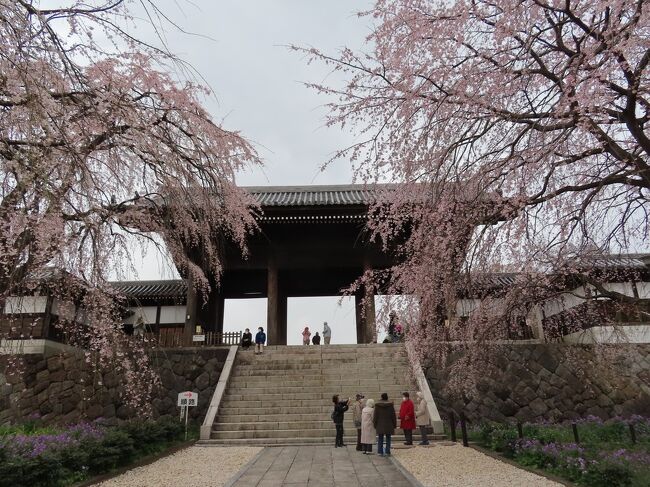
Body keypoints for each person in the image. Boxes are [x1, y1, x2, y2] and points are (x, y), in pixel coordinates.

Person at [373, 392, 396, 456]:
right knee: (388, 438)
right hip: (389, 424)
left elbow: (375, 416)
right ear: (387, 398)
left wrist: (374, 424)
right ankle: (387, 451)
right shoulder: (390, 405)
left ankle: (380, 452)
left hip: (380, 424)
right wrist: (394, 424)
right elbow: (393, 416)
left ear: (381, 397)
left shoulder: (377, 406)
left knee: (380, 438)